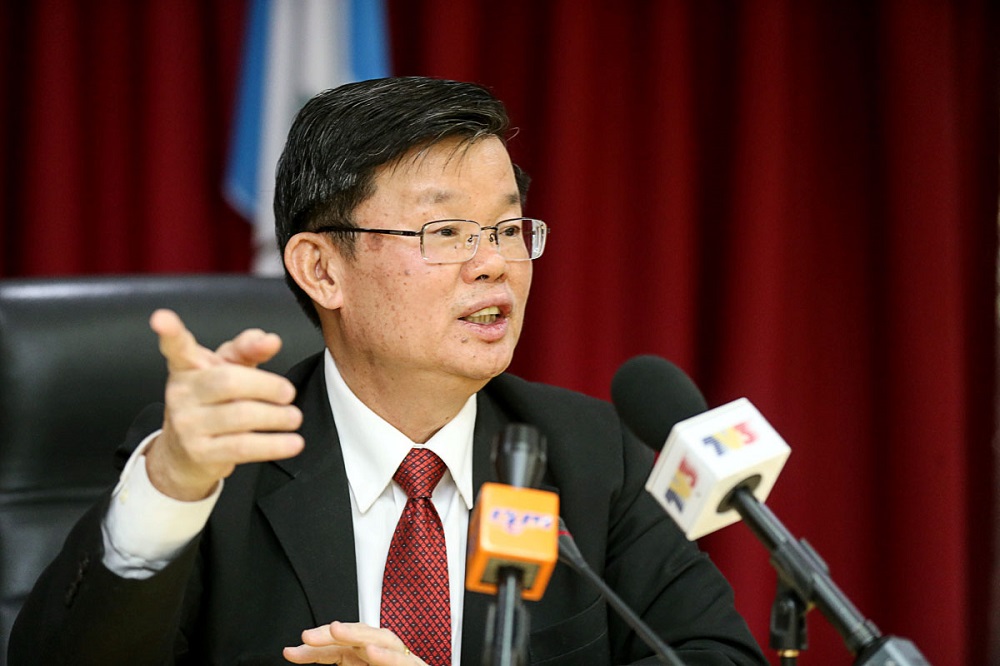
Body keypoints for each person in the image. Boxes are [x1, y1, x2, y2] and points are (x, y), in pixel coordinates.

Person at [9, 77, 767, 665]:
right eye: (446, 231)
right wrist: (172, 486)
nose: (494, 264)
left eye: (507, 228)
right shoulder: (218, 465)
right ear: (321, 268)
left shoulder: (592, 456)